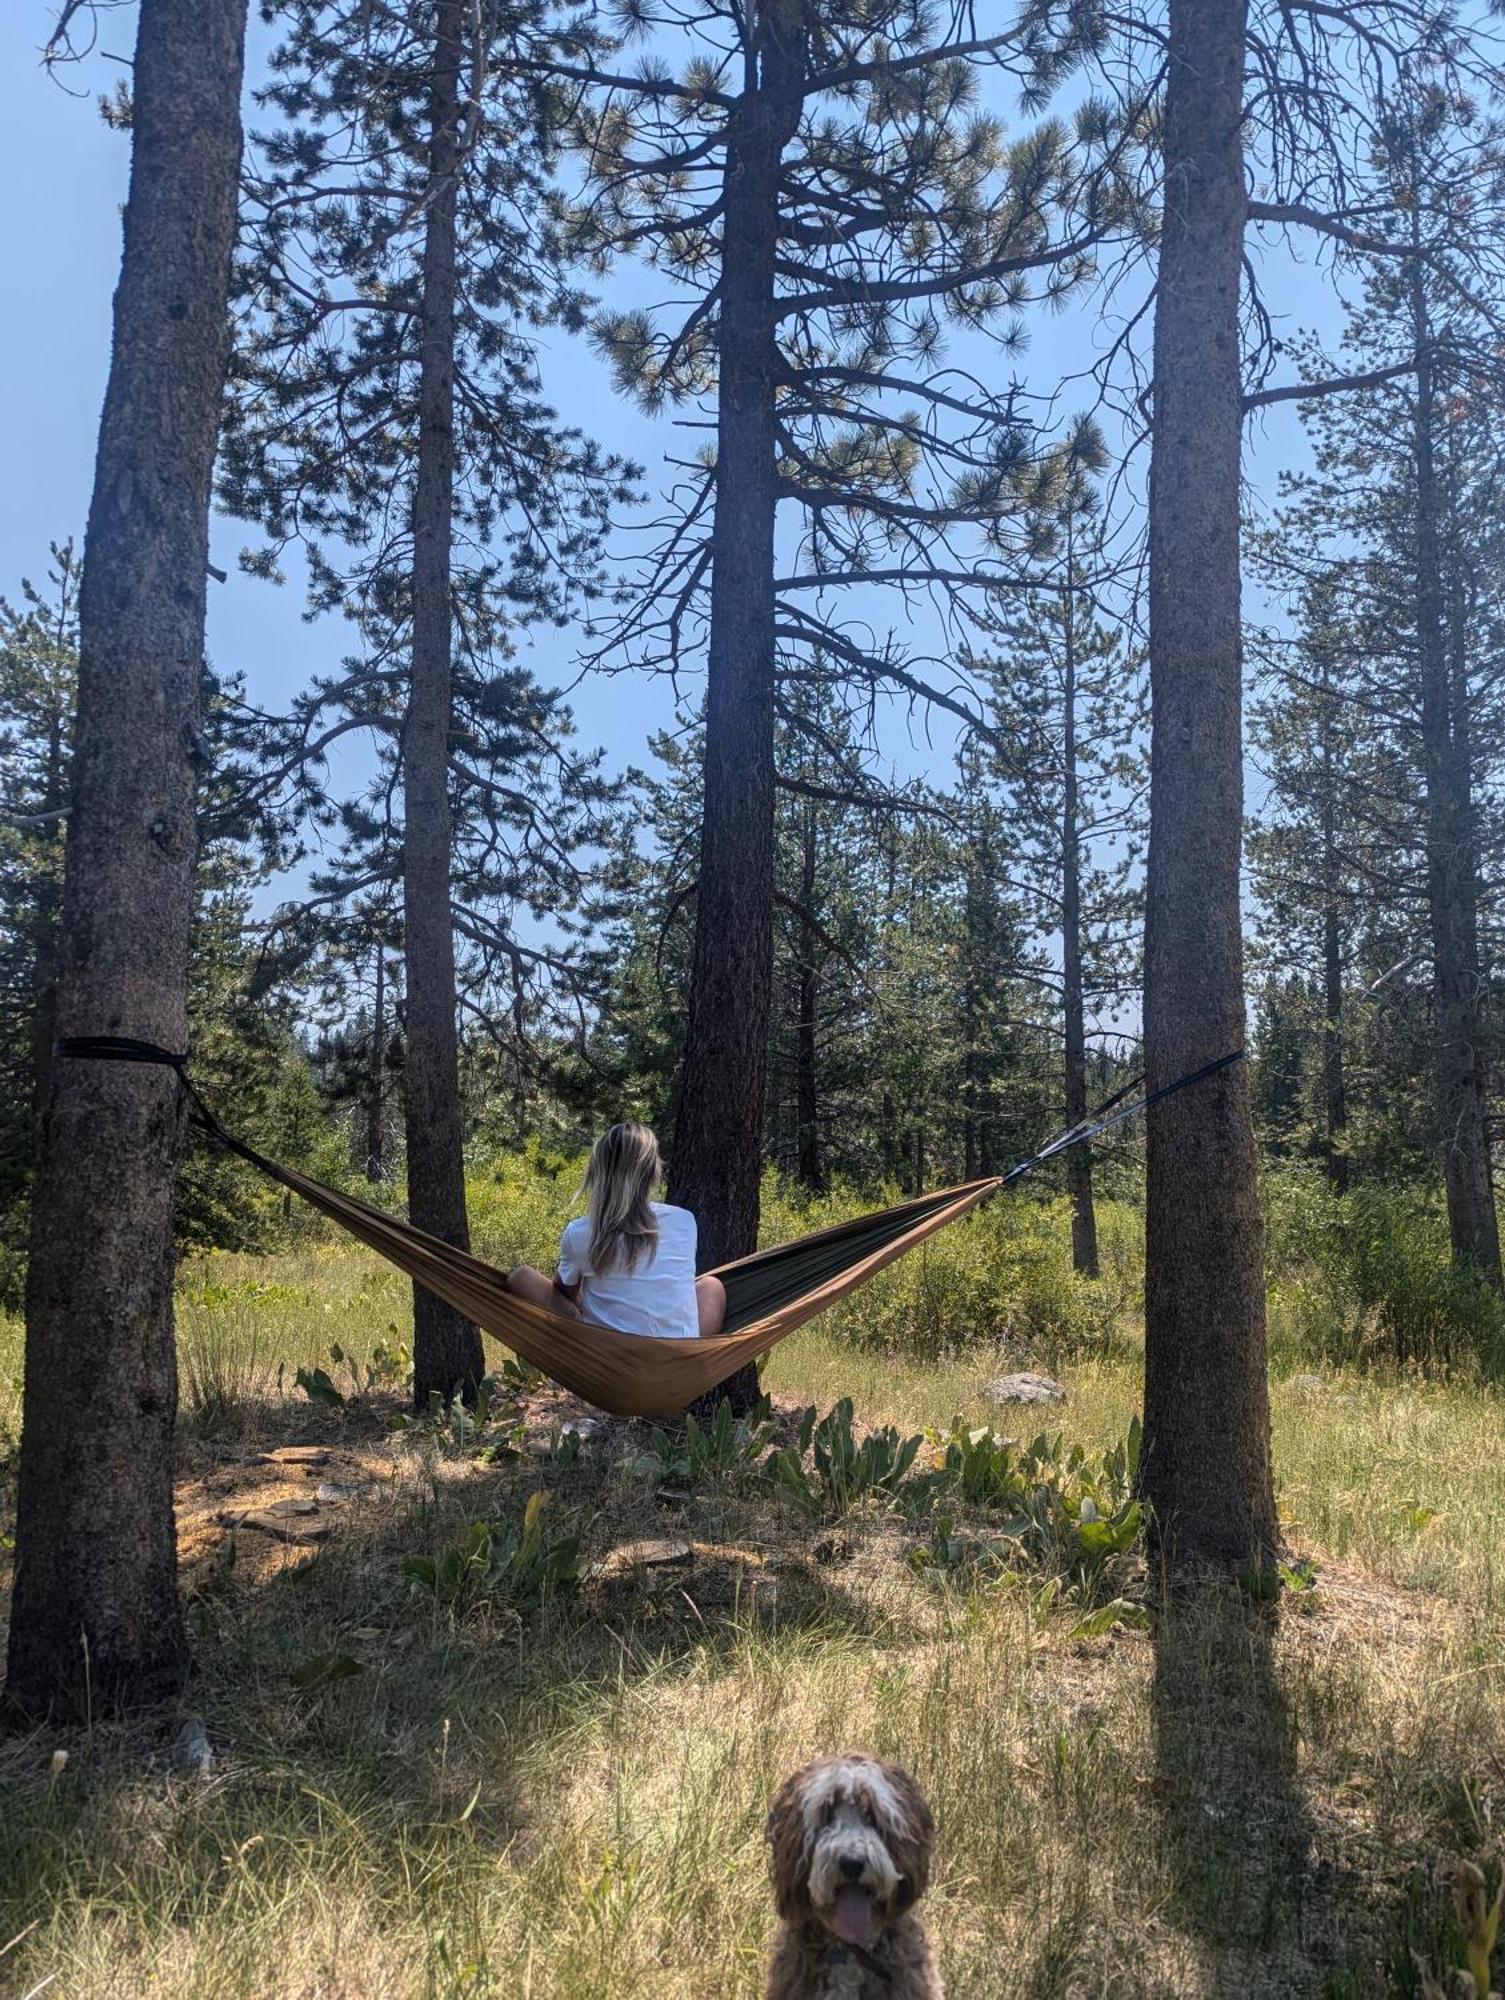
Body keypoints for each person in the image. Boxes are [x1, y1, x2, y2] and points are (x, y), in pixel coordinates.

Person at [507, 1123, 727, 1340]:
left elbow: (564, 1296)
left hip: (611, 1360)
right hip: (680, 1363)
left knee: (521, 1277)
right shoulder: (685, 1220)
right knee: (712, 1287)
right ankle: (694, 1353)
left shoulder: (580, 1232)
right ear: (652, 1173)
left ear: (597, 1173)